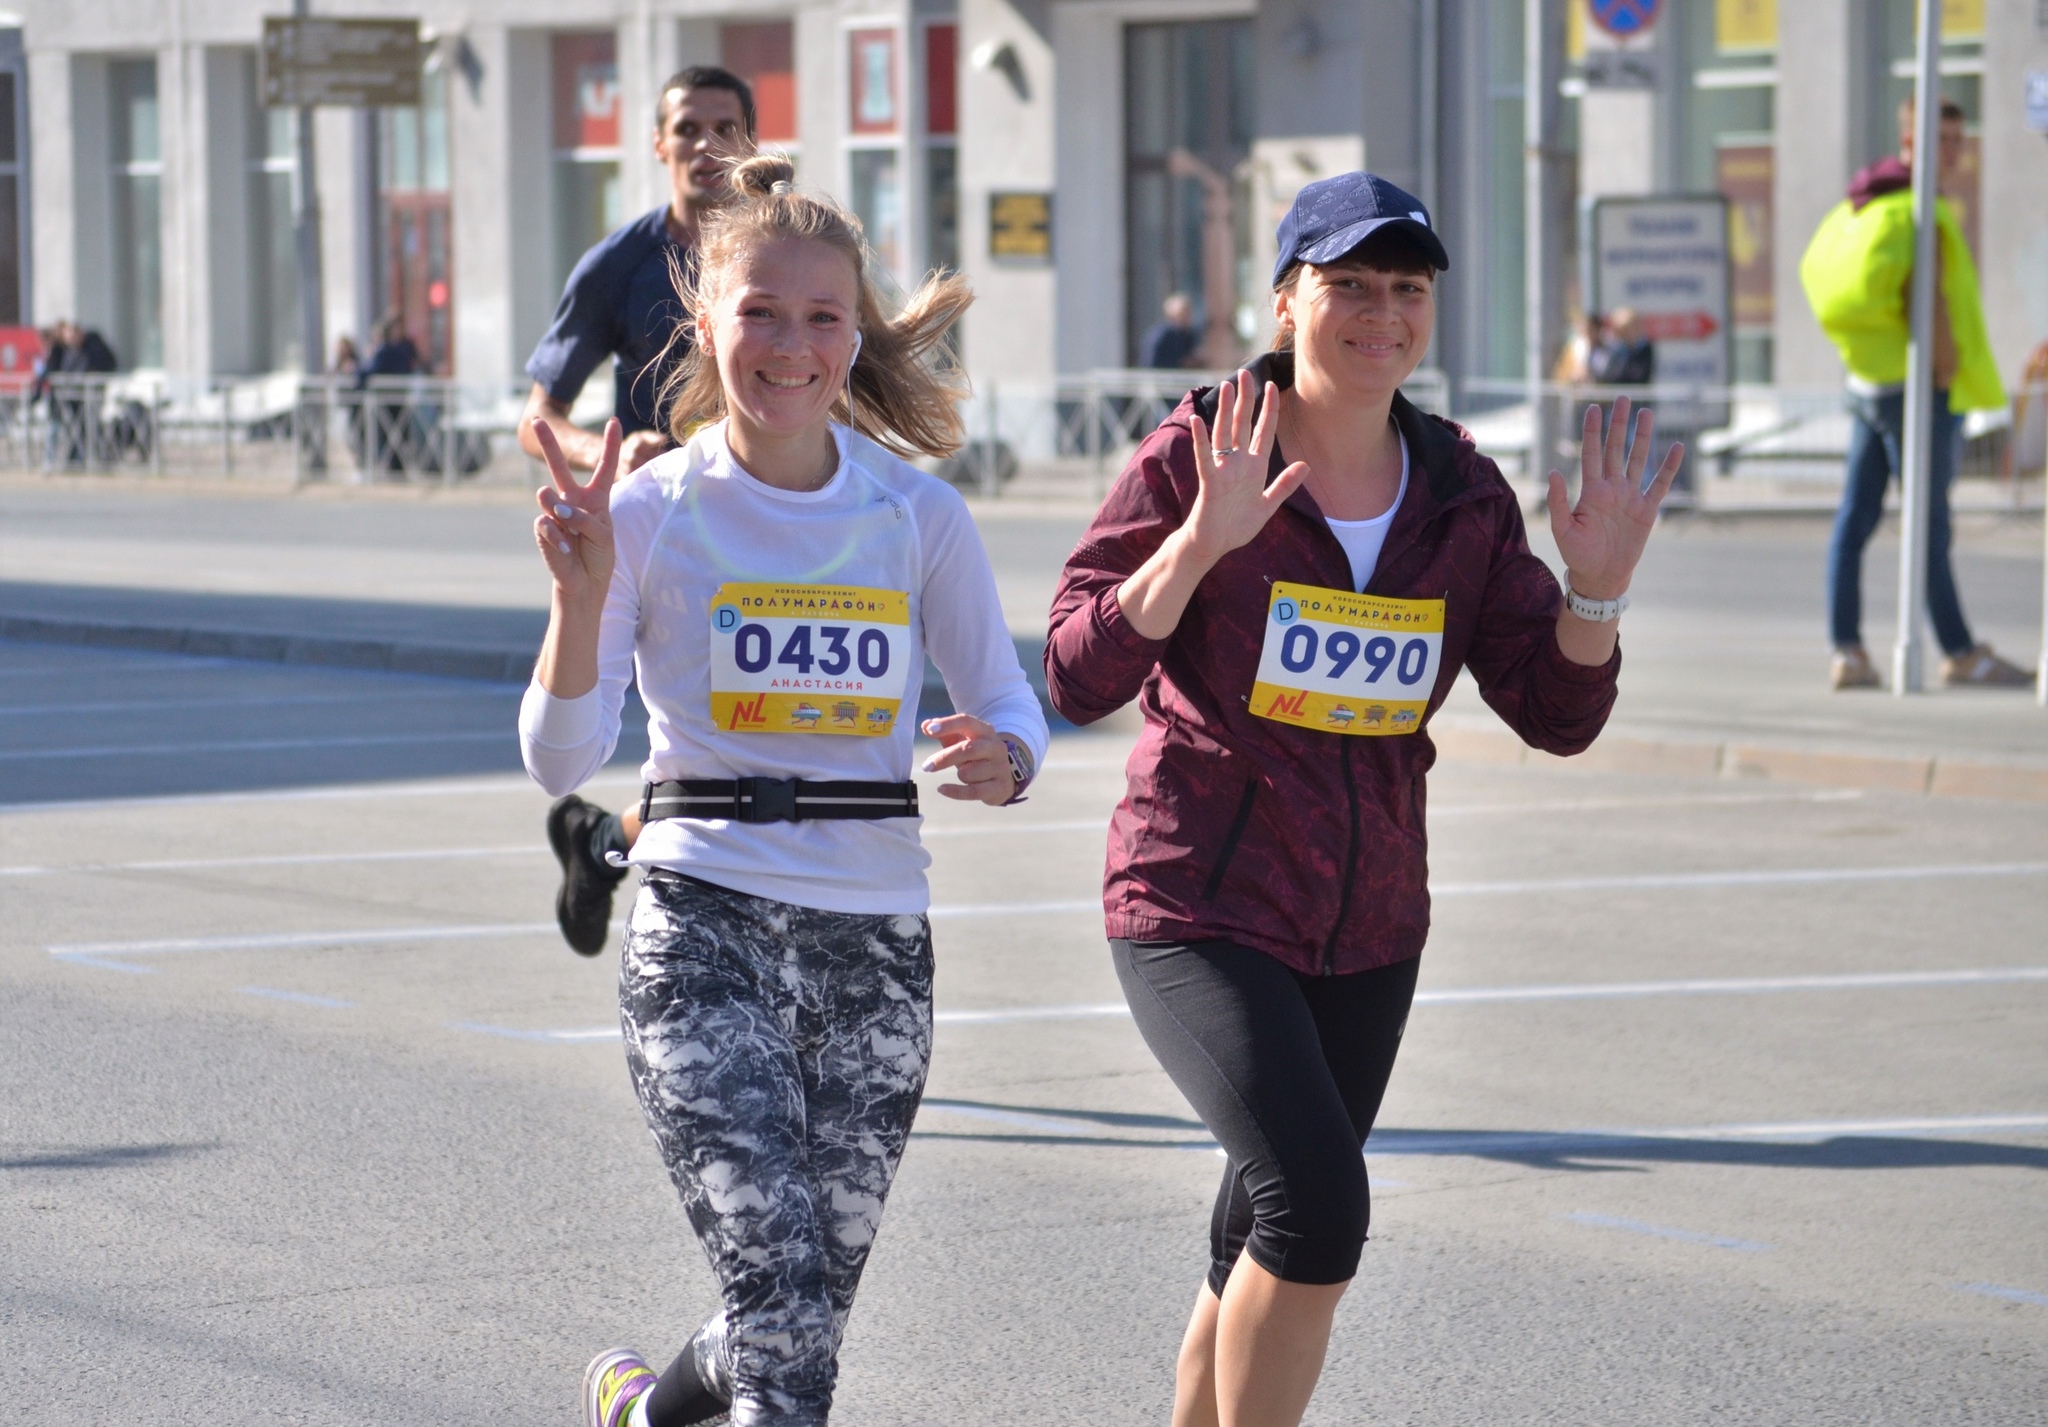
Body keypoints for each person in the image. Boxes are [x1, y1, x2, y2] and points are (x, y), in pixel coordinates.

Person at [1044, 171, 1681, 1427]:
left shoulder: (1457, 491)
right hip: (1197, 899)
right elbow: (1073, 668)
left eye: (1405, 288)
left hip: (1370, 922)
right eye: (1346, 284)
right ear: (1285, 302)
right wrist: (1196, 545)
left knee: (1253, 1234)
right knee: (1317, 1208)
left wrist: (1590, 596)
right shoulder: (1200, 450)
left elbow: (1553, 714)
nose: (1378, 312)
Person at [518, 153, 1049, 1427]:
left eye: (820, 316)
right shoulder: (648, 508)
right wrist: (578, 592)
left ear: (853, 334)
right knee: (793, 1335)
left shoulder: (913, 516)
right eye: (759, 311)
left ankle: (645, 1413)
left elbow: (1015, 702)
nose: (790, 345)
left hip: (876, 942)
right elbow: (557, 760)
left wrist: (1006, 755)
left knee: (791, 1306)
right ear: (704, 320)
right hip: (701, 923)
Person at [1800, 97, 2029, 690]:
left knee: (1856, 520)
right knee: (1928, 524)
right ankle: (1959, 652)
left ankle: (1846, 651)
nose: (1952, 149)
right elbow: (1927, 298)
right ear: (1910, 139)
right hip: (1917, 392)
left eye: (1957, 137)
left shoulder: (1866, 198)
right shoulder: (1916, 210)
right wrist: (1947, 370)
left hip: (1868, 383)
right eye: (1941, 137)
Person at [519, 65, 756, 479]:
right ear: (660, 144)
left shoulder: (795, 257)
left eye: (725, 128)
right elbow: (536, 420)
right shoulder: (616, 264)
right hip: (656, 514)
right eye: (687, 129)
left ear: (750, 144)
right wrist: (611, 454)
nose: (707, 144)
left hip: (770, 508)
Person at [1142, 293, 1203, 371]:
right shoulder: (1162, 335)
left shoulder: (1188, 334)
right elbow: (1152, 361)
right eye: (1181, 314)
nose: (1186, 317)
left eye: (1188, 313)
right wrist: (1181, 363)